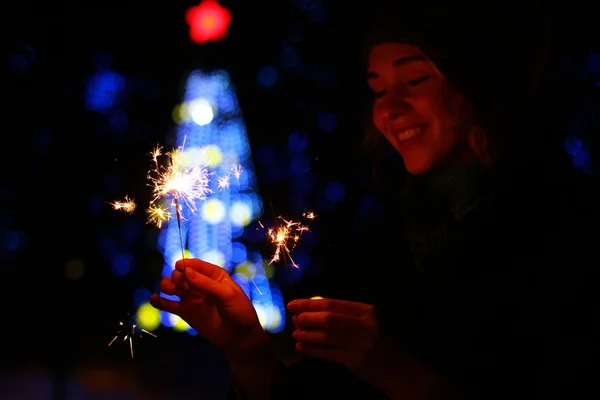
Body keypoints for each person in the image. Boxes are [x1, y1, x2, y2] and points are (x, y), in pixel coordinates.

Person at [151, 0, 599, 398]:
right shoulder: (387, 237)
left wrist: (402, 375)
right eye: (379, 89)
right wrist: (247, 349)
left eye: (415, 80)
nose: (390, 109)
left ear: (481, 82)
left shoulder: (567, 235)